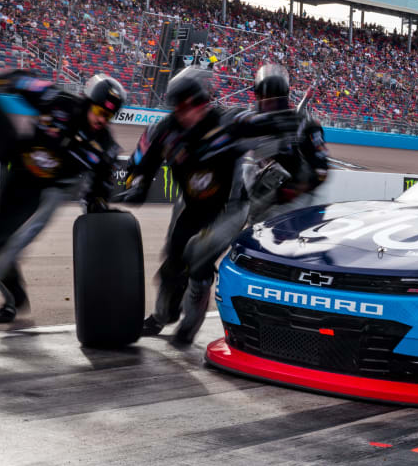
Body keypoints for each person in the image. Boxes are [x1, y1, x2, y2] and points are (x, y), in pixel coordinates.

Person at [119, 66, 303, 346]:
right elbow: (140, 163)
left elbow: (259, 124)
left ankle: (188, 329)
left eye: (194, 104)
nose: (188, 112)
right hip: (192, 208)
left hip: (228, 210)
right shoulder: (163, 130)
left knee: (199, 257)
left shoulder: (227, 123)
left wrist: (281, 123)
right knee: (171, 264)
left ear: (204, 101)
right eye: (180, 106)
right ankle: (161, 316)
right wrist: (137, 185)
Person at [0, 70, 126, 329]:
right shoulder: (55, 99)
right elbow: (18, 80)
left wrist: (98, 203)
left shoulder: (106, 147)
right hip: (21, 174)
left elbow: (102, 185)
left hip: (56, 189)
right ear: (87, 101)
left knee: (16, 244)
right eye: (100, 111)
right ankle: (15, 298)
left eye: (109, 115)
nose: (103, 119)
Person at [242, 63, 330, 224]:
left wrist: (296, 189)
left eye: (273, 99)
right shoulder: (254, 125)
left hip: (294, 204)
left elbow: (322, 170)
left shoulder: (307, 126)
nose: (267, 104)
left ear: (284, 97)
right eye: (263, 98)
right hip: (258, 200)